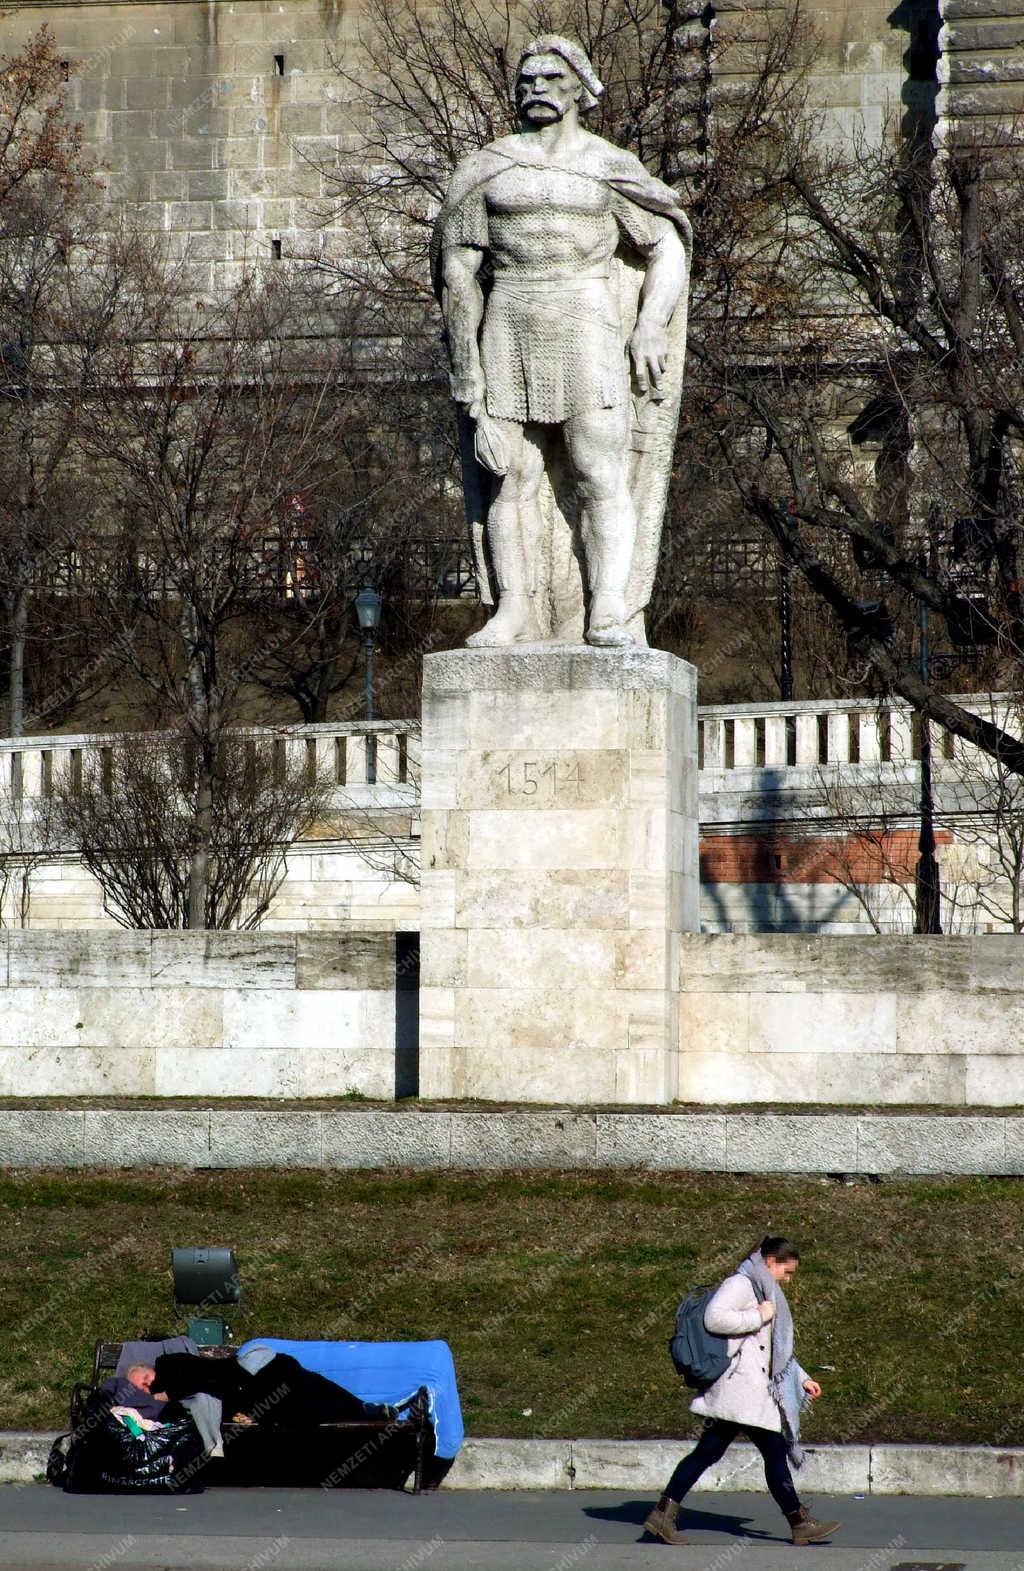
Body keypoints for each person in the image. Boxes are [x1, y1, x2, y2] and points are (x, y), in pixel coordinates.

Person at [433, 34, 690, 648]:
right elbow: (457, 271)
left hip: (587, 320)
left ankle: (608, 605)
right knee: (507, 475)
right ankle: (514, 607)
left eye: (549, 77)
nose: (536, 89)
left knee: (598, 470)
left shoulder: (607, 166)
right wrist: (467, 373)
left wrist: (651, 321)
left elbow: (667, 245)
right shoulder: (488, 169)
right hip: (511, 320)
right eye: (525, 81)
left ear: (579, 86)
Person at [645, 1235, 841, 1548]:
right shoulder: (741, 1283)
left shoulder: (763, 1289)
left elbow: (773, 1349)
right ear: (769, 1262)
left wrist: (801, 1378)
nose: (788, 1280)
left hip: (746, 1394)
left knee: (707, 1453)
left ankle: (662, 1514)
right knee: (773, 1452)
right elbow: (715, 1318)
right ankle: (799, 1522)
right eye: (786, 1272)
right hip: (742, 1391)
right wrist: (759, 1316)